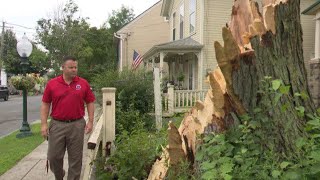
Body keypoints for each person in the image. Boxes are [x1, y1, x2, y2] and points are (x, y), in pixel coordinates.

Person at [40, 56, 95, 180]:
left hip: (77, 124)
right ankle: (59, 175)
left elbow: (90, 102)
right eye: (71, 67)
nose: (74, 70)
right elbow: (45, 104)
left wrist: (90, 121)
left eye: (75, 67)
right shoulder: (52, 84)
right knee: (53, 157)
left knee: (75, 159)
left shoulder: (83, 83)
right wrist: (43, 124)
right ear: (63, 68)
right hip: (57, 125)